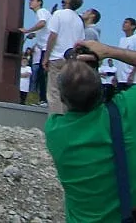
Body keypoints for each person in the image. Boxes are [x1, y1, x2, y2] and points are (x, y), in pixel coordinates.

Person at [45, 39, 136, 223]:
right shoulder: (126, 111)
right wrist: (108, 51)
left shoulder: (54, 131)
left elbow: (71, 97)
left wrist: (73, 66)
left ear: (62, 98)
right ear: (101, 88)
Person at [43, 0, 85, 114]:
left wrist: (46, 56)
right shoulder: (79, 20)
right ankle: (66, 118)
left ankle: (55, 119)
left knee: (54, 91)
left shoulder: (59, 14)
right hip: (71, 59)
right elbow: (80, 42)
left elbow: (53, 36)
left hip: (56, 57)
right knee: (66, 91)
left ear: (67, 2)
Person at [20, 0, 51, 106]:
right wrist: (34, 34)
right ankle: (44, 99)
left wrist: (28, 30)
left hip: (47, 47)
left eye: (32, 0)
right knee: (42, 74)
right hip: (45, 46)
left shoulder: (41, 11)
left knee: (43, 74)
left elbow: (42, 23)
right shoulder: (42, 13)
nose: (30, 2)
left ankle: (44, 100)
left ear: (39, 2)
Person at [115, 17, 136, 91]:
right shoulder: (122, 40)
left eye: (126, 22)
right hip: (120, 78)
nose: (123, 24)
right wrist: (116, 75)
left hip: (131, 79)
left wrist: (132, 74)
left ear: (133, 26)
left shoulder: (134, 38)